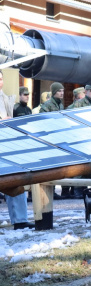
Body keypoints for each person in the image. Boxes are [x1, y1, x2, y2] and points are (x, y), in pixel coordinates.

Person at [6, 87, 34, 230]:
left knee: (15, 181)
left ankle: (20, 220)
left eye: (1, 79)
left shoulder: (6, 99)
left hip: (8, 147)